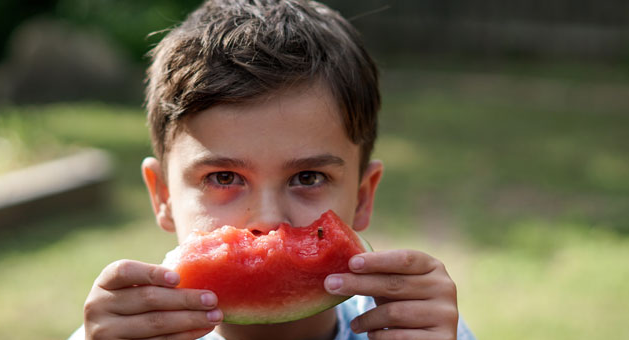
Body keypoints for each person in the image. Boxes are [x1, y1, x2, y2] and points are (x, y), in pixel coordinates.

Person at [70, 0, 476, 339]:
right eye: (223, 178)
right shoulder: (122, 334)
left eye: (307, 178)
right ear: (163, 196)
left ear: (364, 195)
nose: (267, 220)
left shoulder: (416, 330)